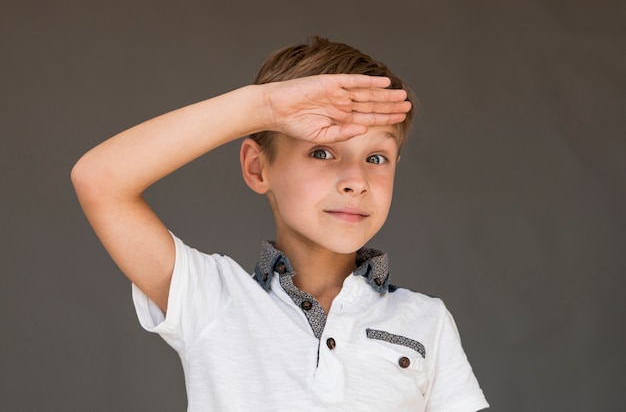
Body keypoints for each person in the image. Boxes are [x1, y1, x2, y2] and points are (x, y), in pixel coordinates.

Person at [71, 36, 489, 412]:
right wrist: (264, 107)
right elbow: (100, 180)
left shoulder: (426, 320)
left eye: (375, 158)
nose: (356, 181)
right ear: (257, 168)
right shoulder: (211, 300)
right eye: (323, 152)